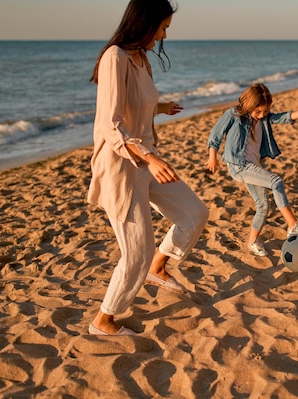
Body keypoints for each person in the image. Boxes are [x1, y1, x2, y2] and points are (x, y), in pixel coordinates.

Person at [86, 0, 209, 336]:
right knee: (136, 252)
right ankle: (104, 321)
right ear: (144, 23)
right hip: (121, 169)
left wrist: (160, 108)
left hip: (146, 160)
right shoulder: (115, 57)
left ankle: (160, 266)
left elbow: (135, 109)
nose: (164, 35)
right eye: (163, 27)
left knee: (195, 213)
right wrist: (151, 159)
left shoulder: (140, 59)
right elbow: (112, 125)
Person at [205, 83, 298, 257]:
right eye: (258, 112)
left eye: (265, 112)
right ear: (249, 105)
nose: (261, 115)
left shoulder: (263, 117)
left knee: (264, 205)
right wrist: (212, 156)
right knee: (276, 181)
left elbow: (280, 117)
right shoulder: (234, 114)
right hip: (239, 165)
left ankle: (252, 242)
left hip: (253, 166)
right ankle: (293, 226)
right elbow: (216, 135)